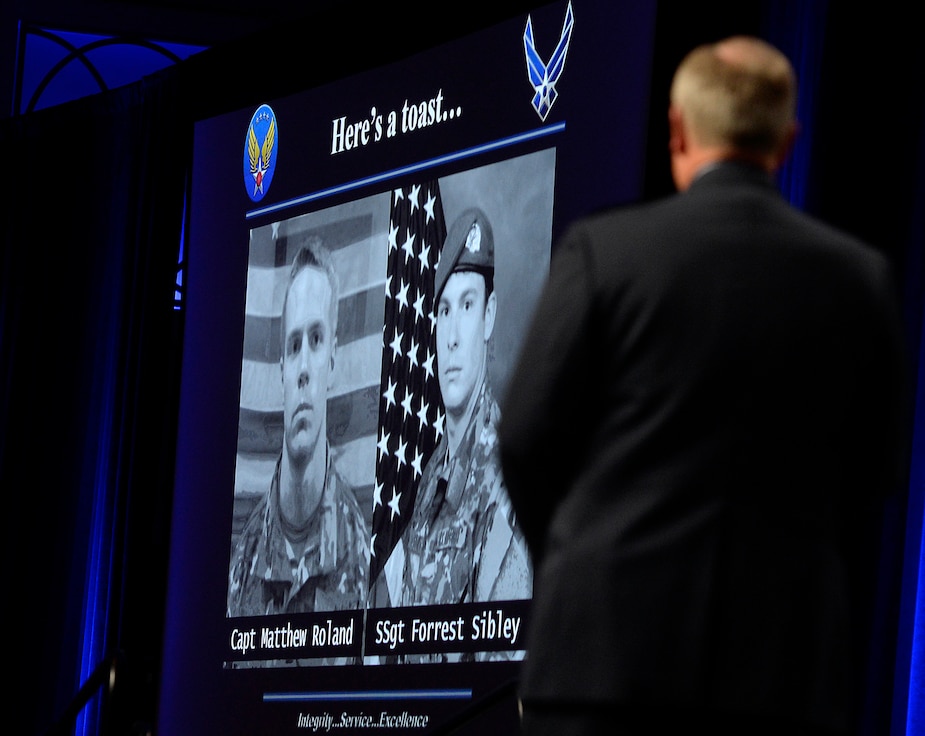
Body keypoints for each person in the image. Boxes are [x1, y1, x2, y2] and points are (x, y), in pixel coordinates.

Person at [500, 36, 906, 736]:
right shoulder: (859, 278)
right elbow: (876, 472)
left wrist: (578, 560)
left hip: (601, 667)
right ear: (786, 142)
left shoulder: (604, 252)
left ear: (678, 132)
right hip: (780, 678)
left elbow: (524, 437)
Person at [227, 236, 369, 617]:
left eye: (317, 340)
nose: (304, 368)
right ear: (282, 371)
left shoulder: (366, 563)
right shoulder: (241, 564)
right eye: (293, 346)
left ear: (333, 361)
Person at [398, 207, 532, 610]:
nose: (453, 337)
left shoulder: (509, 483)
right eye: (444, 311)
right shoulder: (430, 479)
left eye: (468, 306)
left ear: (489, 317)